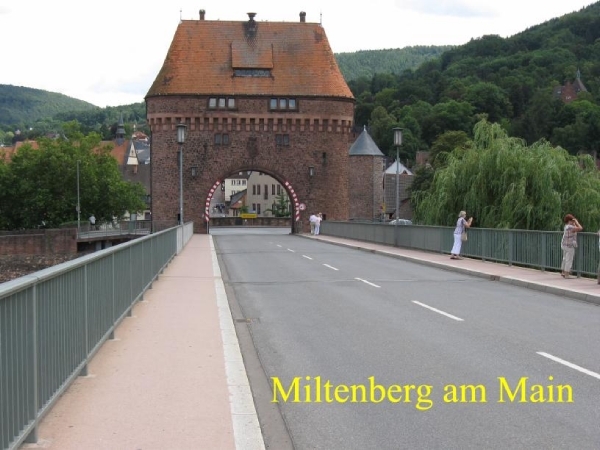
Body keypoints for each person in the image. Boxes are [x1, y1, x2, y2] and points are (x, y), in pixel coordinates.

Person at [561, 214, 582, 278]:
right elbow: (580, 228)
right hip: (569, 246)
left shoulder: (566, 226)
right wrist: (577, 222)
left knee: (565, 258)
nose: (573, 222)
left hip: (564, 244)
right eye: (572, 220)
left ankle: (563, 272)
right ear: (569, 221)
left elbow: (575, 229)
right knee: (569, 260)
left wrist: (574, 223)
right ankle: (567, 274)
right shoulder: (570, 227)